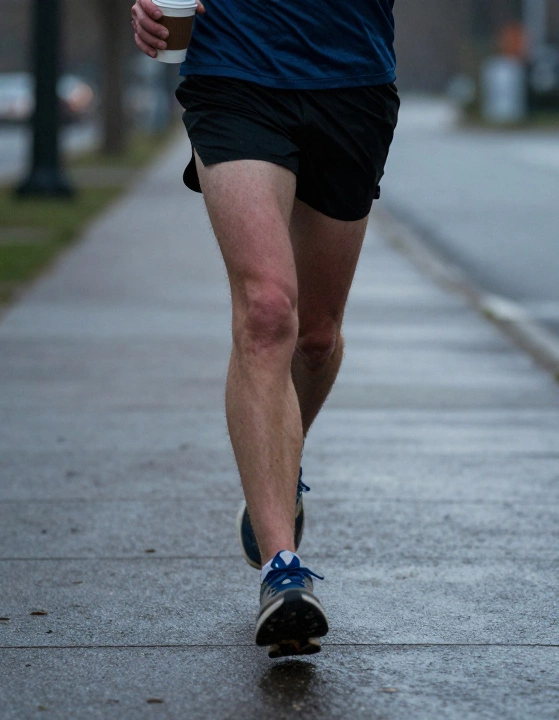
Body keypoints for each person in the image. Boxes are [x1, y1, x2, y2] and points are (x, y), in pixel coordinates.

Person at [131, 0, 399, 657]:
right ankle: (283, 570)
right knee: (267, 312)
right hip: (235, 70)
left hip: (353, 79)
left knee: (316, 337)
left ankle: (280, 467)